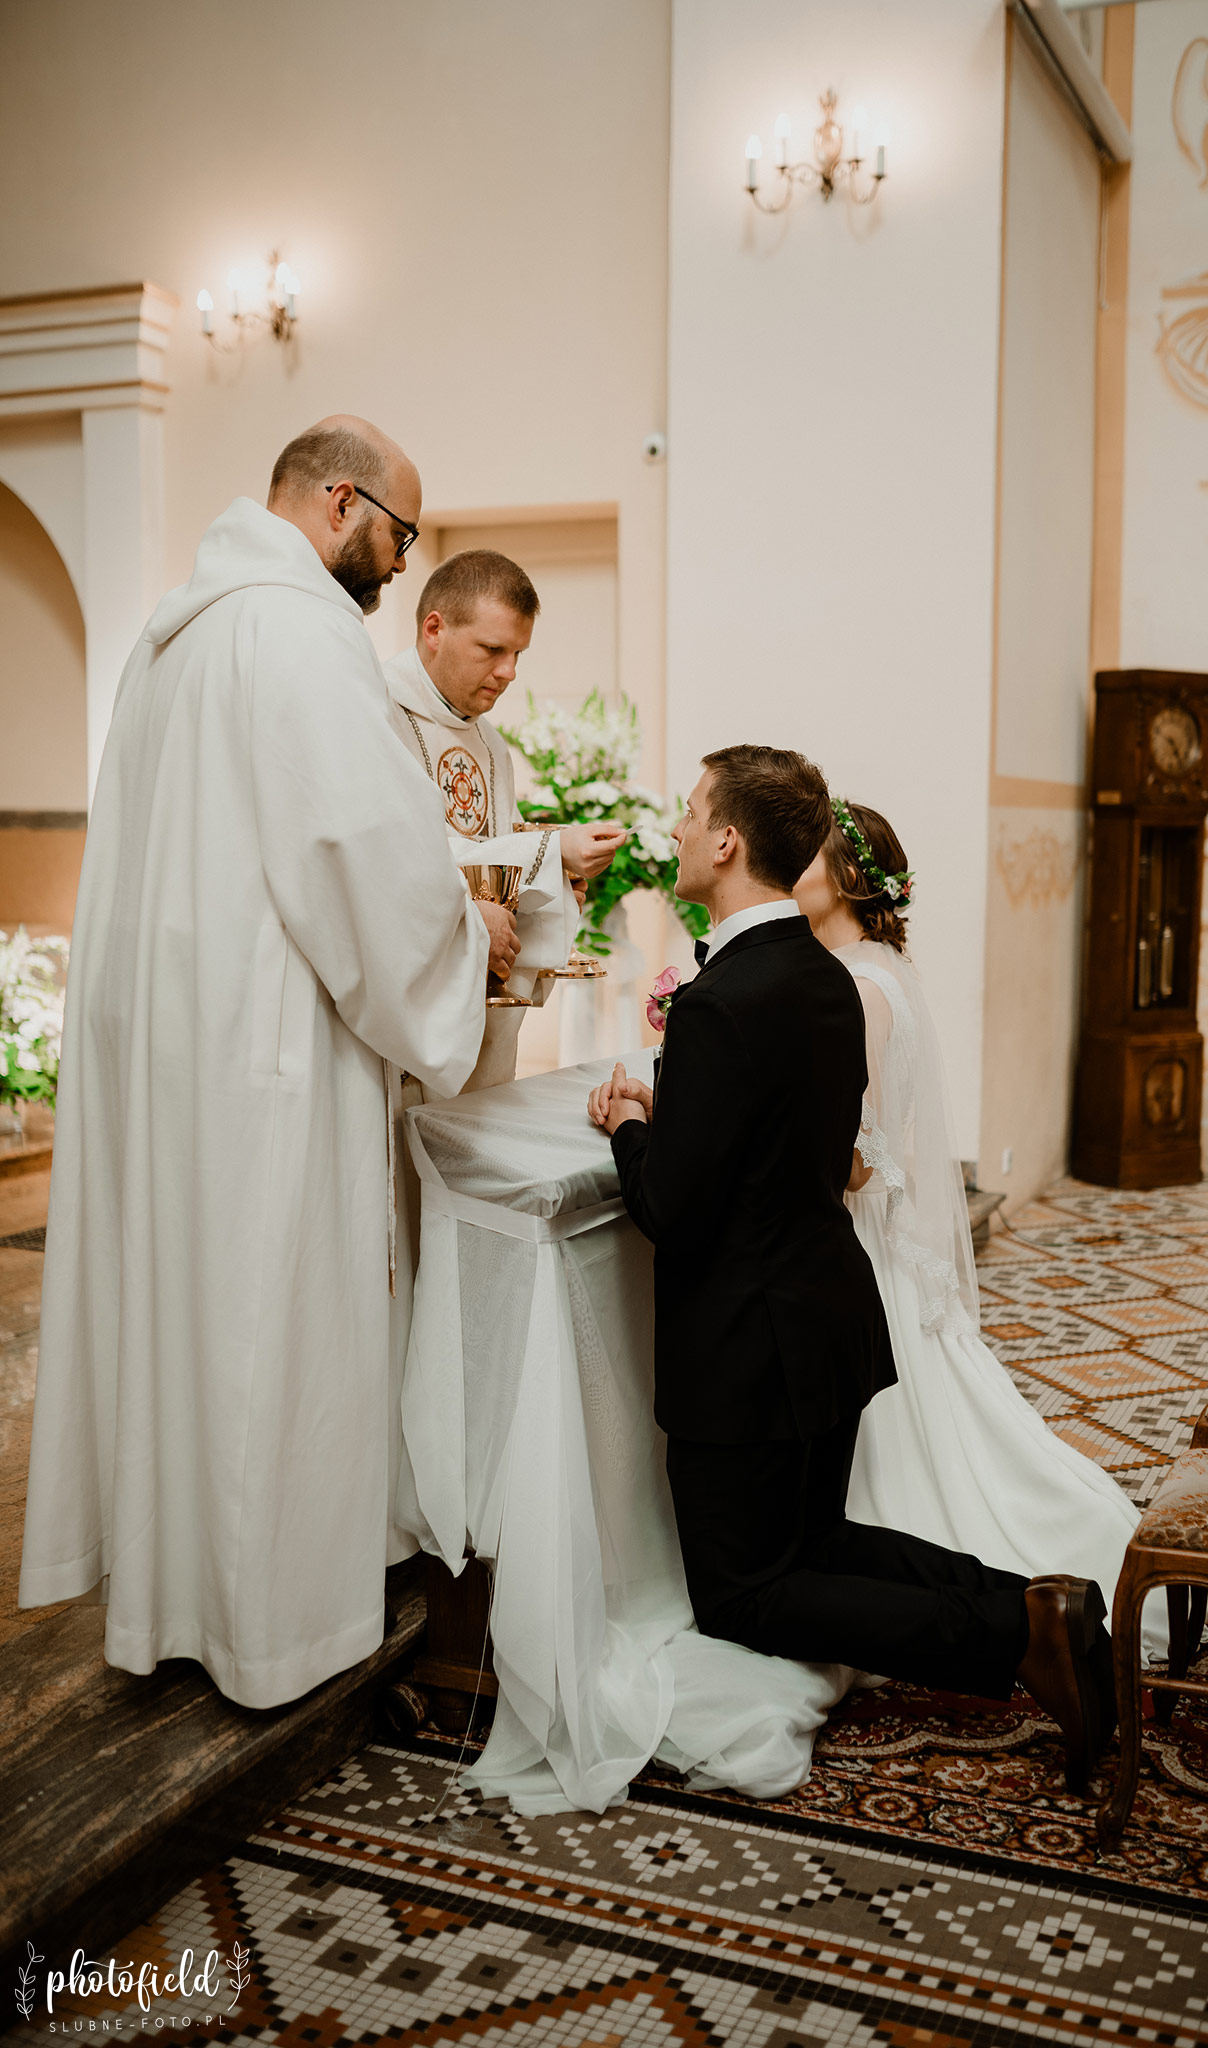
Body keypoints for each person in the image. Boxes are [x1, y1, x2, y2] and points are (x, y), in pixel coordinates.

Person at [18, 416, 508, 1709]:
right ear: (341, 501)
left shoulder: (170, 637)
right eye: (400, 534)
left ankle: (180, 1601)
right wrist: (466, 936)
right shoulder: (297, 635)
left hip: (177, 1047)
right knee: (263, 1330)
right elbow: (364, 866)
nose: (403, 567)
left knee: (190, 1318)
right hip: (266, 1054)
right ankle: (271, 1625)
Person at [588, 745, 1116, 1796]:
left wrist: (629, 1123)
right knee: (817, 1539)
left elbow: (672, 1209)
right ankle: (1043, 1599)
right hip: (823, 1323)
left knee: (744, 1594)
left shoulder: (720, 1000)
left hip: (744, 1351)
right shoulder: (832, 978)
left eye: (694, 812)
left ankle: (1018, 1632)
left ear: (730, 839)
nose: (682, 828)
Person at [791, 799, 1161, 1658]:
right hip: (878, 1239)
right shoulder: (874, 966)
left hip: (857, 1238)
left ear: (848, 878)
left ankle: (1027, 1588)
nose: (786, 869)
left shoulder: (854, 984)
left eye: (803, 856)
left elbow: (861, 1156)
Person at [384, 549, 624, 1092]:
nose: (509, 672)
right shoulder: (376, 714)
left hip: (481, 1022)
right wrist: (551, 852)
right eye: (492, 649)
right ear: (434, 629)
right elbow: (391, 857)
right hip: (404, 1032)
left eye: (518, 653)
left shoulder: (492, 746)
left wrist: (557, 884)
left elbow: (499, 873)